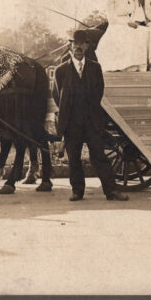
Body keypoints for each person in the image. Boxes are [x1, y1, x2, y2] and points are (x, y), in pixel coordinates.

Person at [52, 30, 128, 201]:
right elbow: (57, 96)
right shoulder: (60, 71)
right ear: (70, 45)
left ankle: (111, 191)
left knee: (99, 156)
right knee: (74, 159)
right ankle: (77, 191)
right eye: (75, 43)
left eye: (82, 43)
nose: (78, 46)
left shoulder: (95, 68)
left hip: (91, 121)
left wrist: (91, 115)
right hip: (71, 123)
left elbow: (98, 93)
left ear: (87, 46)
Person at [95, 0, 151, 72]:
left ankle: (143, 65)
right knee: (128, 33)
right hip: (116, 25)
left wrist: (135, 22)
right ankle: (129, 66)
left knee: (146, 31)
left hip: (130, 22)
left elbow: (136, 10)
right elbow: (111, 18)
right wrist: (126, 24)